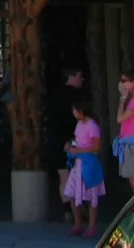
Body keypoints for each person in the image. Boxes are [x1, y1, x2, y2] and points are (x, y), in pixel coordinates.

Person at [47, 67, 88, 219]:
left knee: (63, 176)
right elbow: (74, 121)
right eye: (79, 76)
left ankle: (68, 211)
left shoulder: (54, 95)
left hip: (56, 139)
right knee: (77, 176)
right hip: (73, 140)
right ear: (71, 77)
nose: (82, 79)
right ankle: (78, 210)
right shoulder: (75, 97)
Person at [64, 100, 105, 239]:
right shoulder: (79, 124)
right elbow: (77, 140)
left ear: (82, 110)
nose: (74, 113)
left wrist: (79, 150)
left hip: (89, 164)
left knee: (91, 197)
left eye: (75, 110)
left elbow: (96, 147)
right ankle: (78, 224)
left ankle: (92, 227)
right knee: (72, 194)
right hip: (78, 164)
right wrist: (70, 145)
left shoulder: (93, 126)